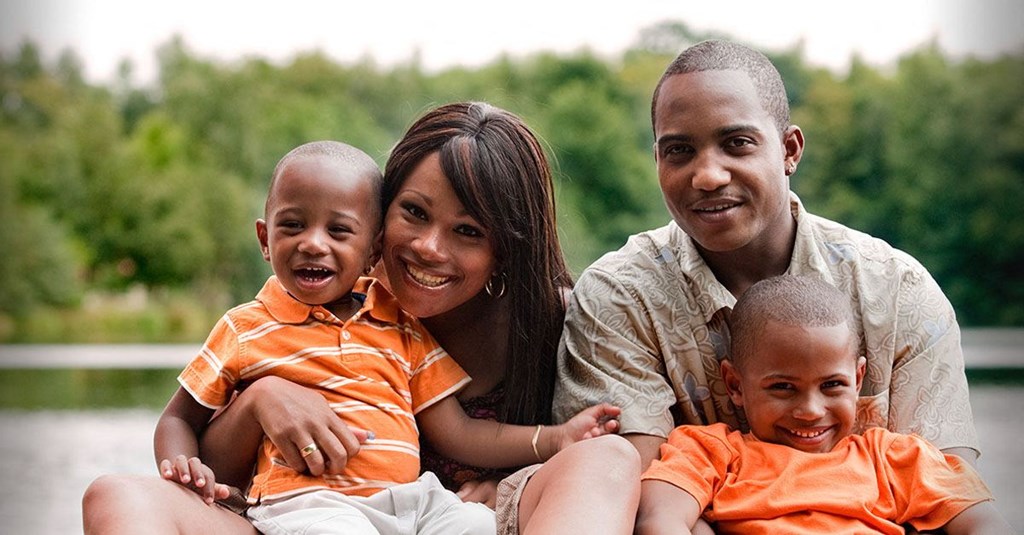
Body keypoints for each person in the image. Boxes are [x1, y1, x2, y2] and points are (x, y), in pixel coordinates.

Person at [82, 103, 641, 535]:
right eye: (414, 213)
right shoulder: (273, 319)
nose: (427, 247)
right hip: (299, 514)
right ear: (381, 222)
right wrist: (259, 402)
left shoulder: (553, 321)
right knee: (115, 493)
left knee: (607, 457)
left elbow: (465, 435)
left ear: (507, 246)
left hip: (422, 512)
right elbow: (210, 466)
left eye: (468, 231)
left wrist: (533, 462)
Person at [554, 38, 979, 468]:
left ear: (790, 150)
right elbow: (636, 494)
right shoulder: (619, 299)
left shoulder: (896, 292)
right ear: (657, 160)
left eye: (737, 143)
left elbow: (951, 494)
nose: (707, 176)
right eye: (679, 151)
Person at [634, 274, 1012, 534]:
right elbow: (659, 519)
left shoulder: (894, 459)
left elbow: (982, 522)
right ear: (735, 385)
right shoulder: (712, 453)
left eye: (832, 385)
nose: (811, 410)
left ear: (858, 379)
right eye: (783, 387)